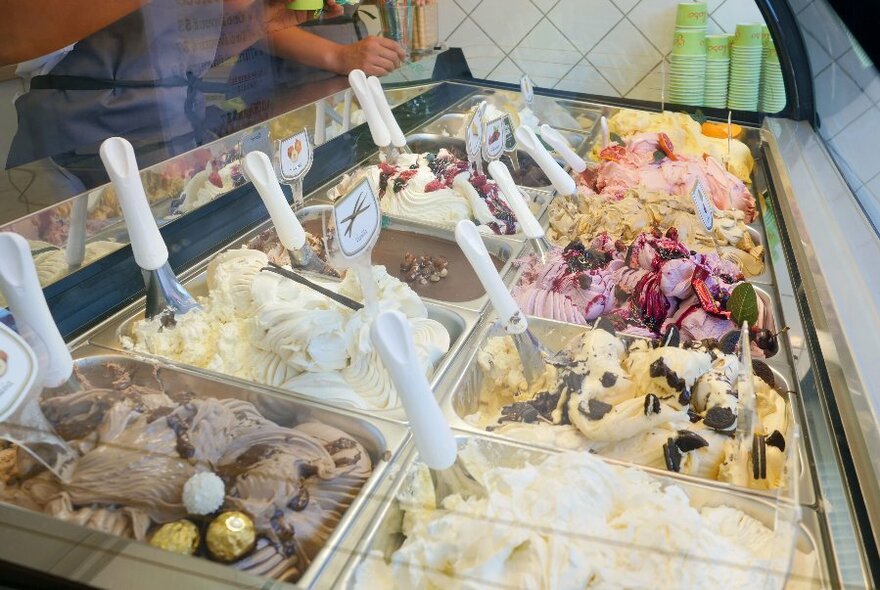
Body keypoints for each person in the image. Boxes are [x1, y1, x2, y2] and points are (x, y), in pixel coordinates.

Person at [0, 0, 405, 181]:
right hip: (76, 154)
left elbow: (180, 58)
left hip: (174, 143)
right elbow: (12, 36)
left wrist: (261, 21)